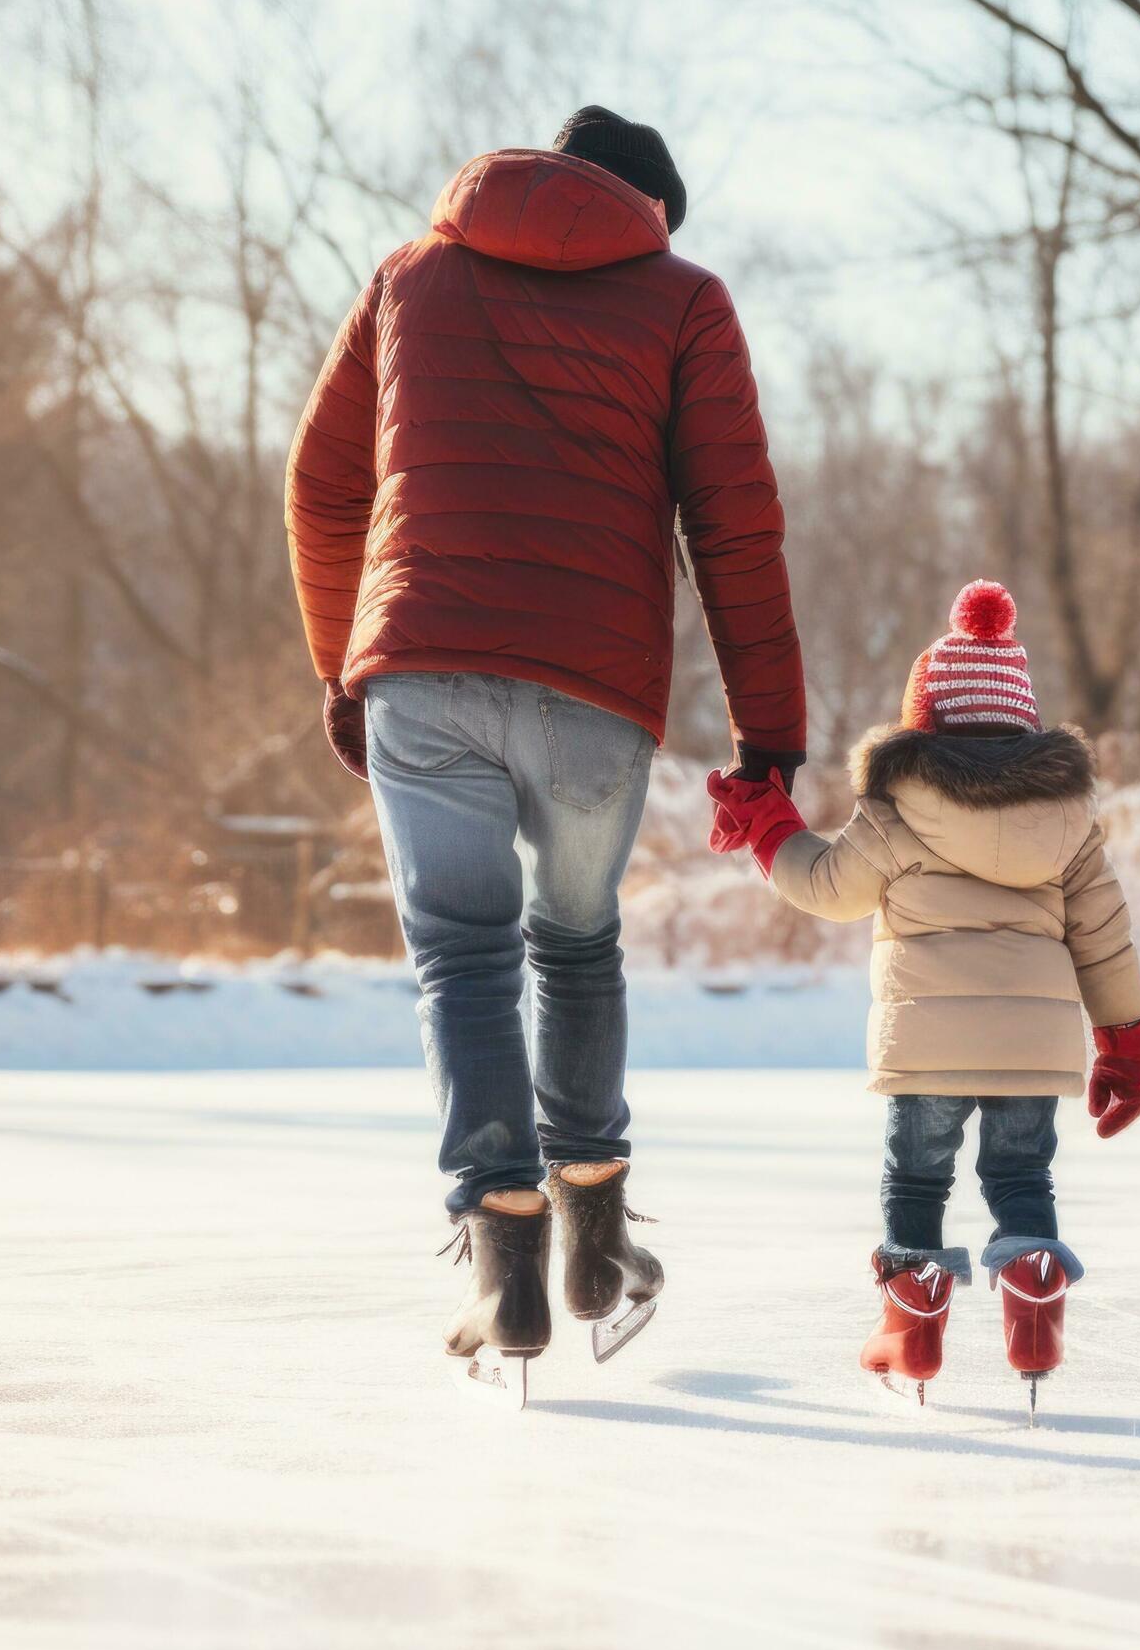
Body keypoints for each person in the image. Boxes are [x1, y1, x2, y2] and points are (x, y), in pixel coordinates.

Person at [283, 106, 805, 1385]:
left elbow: (321, 480)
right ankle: (594, 1229)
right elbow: (731, 530)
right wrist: (769, 739)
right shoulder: (683, 300)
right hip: (592, 689)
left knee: (461, 960)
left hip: (422, 668)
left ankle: (506, 1253)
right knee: (574, 943)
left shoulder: (411, 276)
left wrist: (345, 668)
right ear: (652, 215)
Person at [709, 580, 1140, 1412]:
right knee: (1022, 1175)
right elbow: (1105, 936)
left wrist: (768, 824)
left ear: (926, 721)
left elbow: (829, 887)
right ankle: (1032, 1292)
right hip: (1033, 1049)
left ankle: (912, 1326)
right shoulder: (1068, 821)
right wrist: (1126, 1042)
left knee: (916, 1182)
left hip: (925, 1047)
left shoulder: (896, 807)